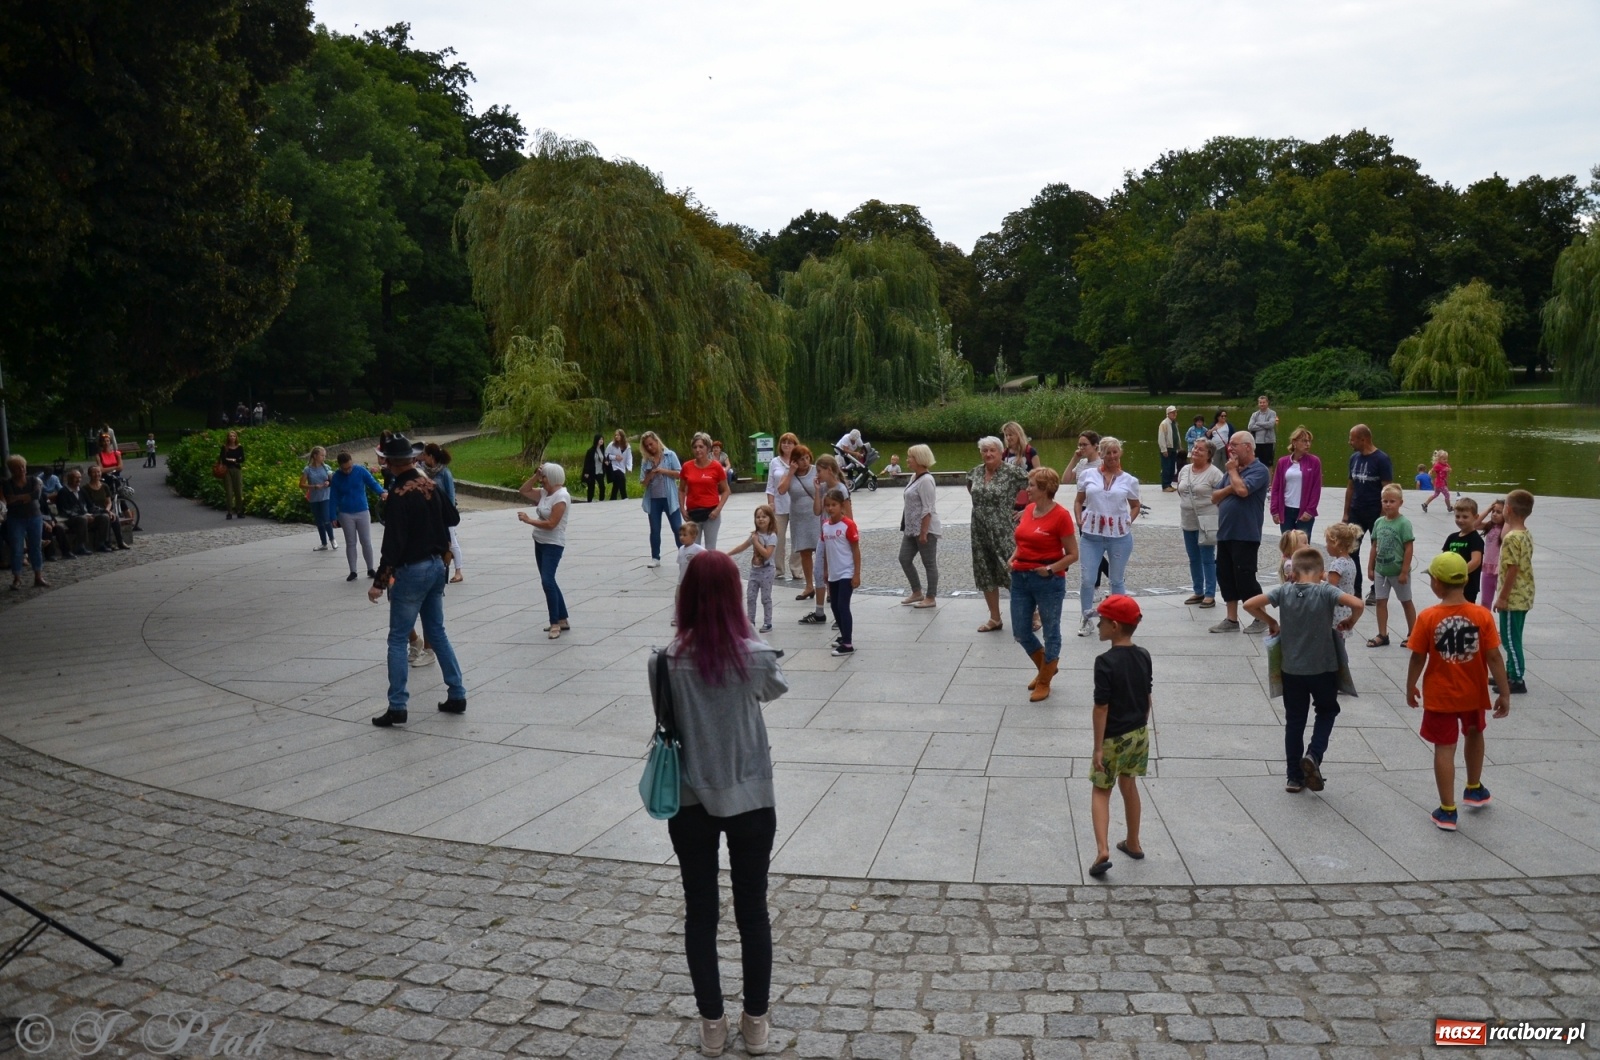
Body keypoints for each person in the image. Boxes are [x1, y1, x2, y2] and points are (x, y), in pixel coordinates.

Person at [648, 550, 787, 1057]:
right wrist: (747, 632)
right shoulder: (752, 655)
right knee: (753, 910)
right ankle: (755, 1021)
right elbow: (775, 687)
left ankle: (712, 1023)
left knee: (699, 911)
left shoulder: (664, 659)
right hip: (751, 794)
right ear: (733, 596)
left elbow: (664, 712)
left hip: (689, 799)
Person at [1406, 551, 1510, 831]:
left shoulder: (1427, 617)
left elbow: (1417, 657)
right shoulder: (1481, 615)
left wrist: (1410, 685)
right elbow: (1494, 656)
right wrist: (1504, 691)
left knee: (1445, 747)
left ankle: (1447, 810)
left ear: (1437, 584)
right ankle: (1474, 788)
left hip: (1440, 696)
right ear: (1465, 580)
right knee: (1475, 733)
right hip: (1474, 693)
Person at [1245, 548, 1364, 793]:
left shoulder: (1285, 591)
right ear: (1322, 573)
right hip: (1323, 669)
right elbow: (1358, 604)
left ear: (1293, 573)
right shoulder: (1326, 590)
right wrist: (1350, 621)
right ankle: (1314, 754)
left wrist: (1272, 623)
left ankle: (1294, 778)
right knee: (1327, 710)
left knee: (1295, 721)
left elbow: (1249, 604)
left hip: (1292, 670)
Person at [367, 434, 466, 727]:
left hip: (412, 571)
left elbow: (393, 545)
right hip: (437, 567)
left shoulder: (398, 496)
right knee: (437, 632)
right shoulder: (429, 485)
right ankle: (457, 693)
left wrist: (379, 582)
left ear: (389, 464)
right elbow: (453, 518)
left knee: (397, 638)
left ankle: (398, 706)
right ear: (411, 460)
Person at [1085, 594, 1151, 879]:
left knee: (1101, 789)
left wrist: (1097, 748)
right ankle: (1133, 842)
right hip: (1138, 733)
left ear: (1113, 626)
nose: (1098, 626)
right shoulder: (1144, 654)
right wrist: (1142, 725)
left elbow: (1101, 707)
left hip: (1113, 737)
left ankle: (1102, 850)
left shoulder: (1105, 662)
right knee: (1129, 785)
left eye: (1100, 621)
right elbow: (1147, 695)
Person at [1009, 467, 1078, 701]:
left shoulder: (1061, 516)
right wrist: (1014, 555)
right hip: (1020, 577)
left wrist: (1049, 569)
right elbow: (1022, 539)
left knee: (1051, 631)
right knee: (1020, 631)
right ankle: (1045, 668)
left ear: (1045, 489)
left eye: (1031, 485)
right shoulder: (1029, 509)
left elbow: (1072, 554)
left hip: (1047, 579)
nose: (1027, 489)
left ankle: (1045, 680)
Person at [1073, 437, 1140, 636]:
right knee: (1087, 578)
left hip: (1119, 536)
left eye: (1114, 452)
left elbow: (1135, 505)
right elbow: (1079, 501)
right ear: (1100, 454)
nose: (1111, 456)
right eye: (1107, 452)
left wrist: (1128, 520)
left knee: (1117, 579)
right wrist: (1079, 519)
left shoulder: (1129, 480)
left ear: (1119, 454)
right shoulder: (1087, 475)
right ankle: (1086, 618)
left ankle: (1118, 619)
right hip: (1091, 535)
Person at [1209, 432, 1271, 635]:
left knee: (1245, 576)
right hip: (1226, 532)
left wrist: (1233, 475)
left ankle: (1260, 617)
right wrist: (1231, 487)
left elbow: (1243, 491)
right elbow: (1215, 497)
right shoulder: (1231, 472)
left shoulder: (1259, 470)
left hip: (1246, 533)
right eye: (1230, 445)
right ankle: (1231, 619)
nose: (1230, 449)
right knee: (1225, 575)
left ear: (1248, 446)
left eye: (1234, 445)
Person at [967, 436, 1029, 633]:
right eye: (984, 450)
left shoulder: (1012, 473)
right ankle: (995, 618)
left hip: (1004, 530)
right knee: (985, 571)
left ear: (1000, 452)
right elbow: (973, 491)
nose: (988, 454)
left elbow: (1038, 486)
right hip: (979, 530)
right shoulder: (975, 472)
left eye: (992, 450)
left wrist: (1026, 510)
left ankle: (1032, 614)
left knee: (1013, 570)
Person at [518, 463, 572, 639]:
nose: (542, 481)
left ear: (554, 477)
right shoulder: (544, 493)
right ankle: (563, 618)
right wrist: (535, 475)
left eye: (544, 477)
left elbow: (551, 524)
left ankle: (554, 622)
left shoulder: (562, 496)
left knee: (547, 581)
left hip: (553, 543)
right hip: (539, 541)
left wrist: (529, 520)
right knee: (550, 580)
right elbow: (523, 490)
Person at [1342, 424, 1392, 600]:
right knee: (1351, 551)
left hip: (1375, 513)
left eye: (1352, 438)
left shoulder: (1382, 459)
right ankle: (1356, 590)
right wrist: (1346, 514)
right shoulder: (1354, 458)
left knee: (1378, 551)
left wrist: (1383, 515)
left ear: (1363, 439)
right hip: (1356, 512)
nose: (1349, 442)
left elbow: (1387, 490)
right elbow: (1350, 487)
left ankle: (1377, 589)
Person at [1493, 489, 1535, 695]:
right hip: (1524, 594)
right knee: (1512, 635)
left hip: (1513, 597)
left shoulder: (1511, 538)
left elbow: (1512, 569)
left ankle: (1517, 679)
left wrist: (1502, 597)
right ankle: (1509, 673)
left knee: (1510, 639)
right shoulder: (1525, 534)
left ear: (1508, 510)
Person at [803, 455, 851, 626]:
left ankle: (839, 613)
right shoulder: (822, 488)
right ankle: (819, 612)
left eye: (819, 471)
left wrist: (847, 539)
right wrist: (817, 490)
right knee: (820, 572)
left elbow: (849, 517)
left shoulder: (841, 490)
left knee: (835, 574)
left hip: (837, 536)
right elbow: (817, 511)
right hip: (824, 534)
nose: (817, 474)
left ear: (829, 470)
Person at [1366, 483, 1416, 648]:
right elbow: (1374, 545)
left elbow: (1409, 548)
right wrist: (1370, 567)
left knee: (1406, 601)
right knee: (1381, 601)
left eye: (1392, 501)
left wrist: (1404, 571)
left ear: (1400, 502)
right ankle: (1382, 634)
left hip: (1398, 571)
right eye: (1385, 501)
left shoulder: (1403, 524)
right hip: (1381, 570)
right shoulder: (1379, 522)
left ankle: (1413, 633)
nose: (1388, 504)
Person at [1176, 438, 1223, 607]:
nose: (1195, 451)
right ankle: (1198, 591)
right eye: (1195, 448)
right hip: (1188, 519)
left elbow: (1222, 495)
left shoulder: (1214, 473)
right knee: (1193, 557)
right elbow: (1181, 491)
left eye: (1200, 449)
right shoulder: (1185, 470)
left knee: (1207, 558)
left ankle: (1210, 593)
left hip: (1207, 520)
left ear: (1209, 454)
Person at [817, 488, 861, 656]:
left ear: (841, 506)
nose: (830, 509)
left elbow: (856, 550)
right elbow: (827, 551)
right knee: (834, 606)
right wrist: (826, 571)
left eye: (833, 505)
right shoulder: (826, 527)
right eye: (827, 505)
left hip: (846, 572)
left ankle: (848, 644)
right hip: (834, 573)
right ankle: (843, 636)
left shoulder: (848, 525)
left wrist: (856, 573)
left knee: (843, 605)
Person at [897, 445, 940, 610]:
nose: (907, 460)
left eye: (911, 457)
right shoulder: (914, 477)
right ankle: (917, 591)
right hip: (910, 528)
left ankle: (931, 596)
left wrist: (924, 533)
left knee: (929, 563)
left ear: (920, 459)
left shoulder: (927, 480)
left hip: (924, 529)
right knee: (904, 558)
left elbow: (927, 508)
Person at [331, 452, 384, 582]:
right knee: (351, 542)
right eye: (345, 468)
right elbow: (333, 497)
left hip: (362, 510)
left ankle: (370, 568)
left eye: (349, 467)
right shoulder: (337, 477)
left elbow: (372, 483)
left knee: (366, 540)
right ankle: (353, 570)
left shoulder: (360, 471)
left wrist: (382, 492)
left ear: (352, 462)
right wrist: (332, 515)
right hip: (345, 513)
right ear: (340, 467)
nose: (348, 470)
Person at [726, 505, 777, 633]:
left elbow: (767, 554)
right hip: (754, 571)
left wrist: (756, 543)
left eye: (764, 516)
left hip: (767, 571)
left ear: (770, 519)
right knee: (750, 596)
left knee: (766, 597)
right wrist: (727, 554)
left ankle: (768, 622)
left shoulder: (772, 536)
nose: (760, 519)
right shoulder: (754, 535)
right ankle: (750, 621)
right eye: (758, 517)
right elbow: (742, 547)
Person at [4, 456, 49, 590]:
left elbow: (36, 495)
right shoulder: (8, 484)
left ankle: (38, 575)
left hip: (34, 516)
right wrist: (26, 497)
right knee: (17, 548)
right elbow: (10, 500)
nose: (22, 470)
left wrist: (19, 498)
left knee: (35, 546)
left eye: (23, 467)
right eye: (18, 468)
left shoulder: (33, 480)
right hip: (16, 518)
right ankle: (17, 577)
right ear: (12, 470)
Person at [639, 431, 684, 568]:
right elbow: (643, 482)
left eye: (651, 444)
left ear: (657, 442)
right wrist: (650, 474)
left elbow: (680, 473)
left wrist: (663, 471)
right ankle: (655, 557)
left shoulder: (670, 455)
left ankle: (683, 554)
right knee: (655, 529)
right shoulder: (646, 461)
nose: (650, 448)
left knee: (677, 528)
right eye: (647, 446)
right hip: (654, 499)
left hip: (670, 497)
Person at [679, 432, 730, 551]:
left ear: (708, 448)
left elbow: (726, 491)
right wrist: (682, 508)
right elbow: (681, 490)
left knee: (710, 549)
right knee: (692, 548)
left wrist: (718, 509)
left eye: (701, 446)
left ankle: (710, 570)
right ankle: (694, 570)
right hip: (693, 513)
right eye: (695, 447)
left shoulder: (716, 467)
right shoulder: (687, 467)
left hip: (711, 513)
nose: (698, 450)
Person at [1268, 426, 1321, 539]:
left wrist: (1310, 510)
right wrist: (1274, 511)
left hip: (1304, 511)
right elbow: (1276, 487)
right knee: (1288, 544)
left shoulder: (1314, 462)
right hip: (1286, 509)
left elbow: (1316, 489)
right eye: (1304, 441)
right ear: (1294, 442)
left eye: (1309, 441)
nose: (1307, 444)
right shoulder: (1283, 462)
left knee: (1302, 546)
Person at [782, 446, 820, 603]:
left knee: (822, 552)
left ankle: (828, 587)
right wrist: (791, 472)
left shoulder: (816, 470)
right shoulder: (790, 474)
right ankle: (809, 585)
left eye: (807, 457)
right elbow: (781, 490)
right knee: (804, 552)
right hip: (799, 518)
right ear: (794, 461)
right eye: (801, 459)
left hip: (816, 516)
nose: (805, 461)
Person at [423, 444, 464, 583]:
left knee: (452, 542)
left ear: (431, 457)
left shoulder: (444, 473)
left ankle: (459, 571)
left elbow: (451, 496)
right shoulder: (423, 471)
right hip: (430, 514)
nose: (422, 458)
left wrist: (448, 513)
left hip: (444, 513)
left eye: (425, 455)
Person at [764, 433, 800, 582]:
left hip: (797, 504)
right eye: (784, 442)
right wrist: (770, 503)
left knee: (798, 539)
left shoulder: (800, 461)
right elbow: (770, 485)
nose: (786, 445)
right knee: (778, 538)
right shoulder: (775, 462)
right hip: (779, 505)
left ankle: (797, 569)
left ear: (795, 445)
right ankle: (778, 569)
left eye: (789, 443)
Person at [1443, 498, 1484, 605]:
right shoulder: (1452, 538)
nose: (1460, 520)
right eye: (1457, 516)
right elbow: (1443, 559)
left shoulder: (1475, 539)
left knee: (1466, 614)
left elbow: (1476, 561)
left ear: (1475, 517)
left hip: (1468, 586)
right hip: (1449, 585)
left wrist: (1459, 574)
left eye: (1465, 517)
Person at [1323, 523, 1363, 635]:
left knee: (1333, 641)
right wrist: (1323, 575)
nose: (1326, 546)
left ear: (1337, 544)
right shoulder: (1349, 561)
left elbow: (1330, 588)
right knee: (1340, 641)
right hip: (1345, 608)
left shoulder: (1337, 564)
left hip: (1335, 610)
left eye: (1328, 542)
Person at [82, 465, 129, 551]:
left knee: (115, 518)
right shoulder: (85, 488)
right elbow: (89, 505)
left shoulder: (104, 486)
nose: (97, 474)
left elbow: (109, 501)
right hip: (93, 512)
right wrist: (105, 512)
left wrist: (107, 510)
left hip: (105, 511)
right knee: (106, 517)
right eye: (94, 472)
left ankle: (120, 541)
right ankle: (107, 543)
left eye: (98, 472)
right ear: (89, 474)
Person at [51, 470, 94, 557]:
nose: (78, 480)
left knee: (104, 517)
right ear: (69, 479)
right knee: (82, 519)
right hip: (69, 519)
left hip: (84, 515)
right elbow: (64, 510)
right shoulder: (63, 492)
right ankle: (80, 546)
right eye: (75, 478)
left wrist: (103, 511)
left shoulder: (81, 490)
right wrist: (83, 515)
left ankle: (104, 542)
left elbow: (90, 505)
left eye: (80, 478)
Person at [301, 447, 335, 551]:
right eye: (322, 455)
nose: (324, 457)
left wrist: (328, 482)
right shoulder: (308, 469)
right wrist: (314, 486)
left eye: (324, 455)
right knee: (319, 520)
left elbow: (332, 480)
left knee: (326, 518)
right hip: (314, 498)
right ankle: (323, 543)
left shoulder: (326, 467)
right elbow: (301, 484)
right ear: (315, 456)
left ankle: (332, 539)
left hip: (325, 496)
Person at [1002, 420, 1041, 509]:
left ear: (1018, 434)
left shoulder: (1030, 452)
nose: (1008, 438)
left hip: (1028, 495)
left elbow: (1039, 475)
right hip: (1010, 496)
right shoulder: (1004, 453)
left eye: (1010, 435)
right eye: (1006, 435)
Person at [673, 521, 706, 624]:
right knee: (678, 598)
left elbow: (707, 559)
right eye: (680, 535)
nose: (682, 537)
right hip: (682, 580)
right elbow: (680, 563)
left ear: (693, 536)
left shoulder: (699, 550)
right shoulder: (681, 549)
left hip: (694, 581)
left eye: (685, 535)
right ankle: (678, 617)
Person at [1478, 499, 1505, 613]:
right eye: (1493, 511)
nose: (1494, 514)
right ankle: (1485, 625)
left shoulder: (1506, 529)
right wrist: (1488, 509)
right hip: (1488, 569)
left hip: (1501, 569)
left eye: (1499, 512)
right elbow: (1474, 524)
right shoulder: (1489, 526)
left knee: (1502, 601)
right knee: (1485, 601)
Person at [218, 430, 246, 520]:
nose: (232, 438)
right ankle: (229, 512)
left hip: (237, 469)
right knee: (229, 492)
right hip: (227, 470)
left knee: (238, 491)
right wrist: (232, 460)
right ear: (228, 437)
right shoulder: (225, 447)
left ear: (236, 437)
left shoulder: (239, 447)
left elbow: (242, 459)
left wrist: (234, 460)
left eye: (234, 436)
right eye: (230, 436)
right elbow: (222, 459)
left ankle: (239, 511)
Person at [1248, 395, 1279, 470]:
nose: (1262, 404)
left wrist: (1258, 423)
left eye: (1264, 402)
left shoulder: (1272, 413)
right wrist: (1265, 424)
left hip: (1268, 442)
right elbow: (1250, 427)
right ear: (1258, 404)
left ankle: (1269, 481)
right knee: (1257, 463)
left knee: (1269, 464)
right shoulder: (1254, 414)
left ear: (1267, 403)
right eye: (1260, 403)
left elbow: (1271, 425)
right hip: (1257, 442)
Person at [1157, 405, 1181, 492]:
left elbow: (1176, 435)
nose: (1175, 414)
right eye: (1173, 412)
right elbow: (1161, 437)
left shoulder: (1174, 423)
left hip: (1173, 448)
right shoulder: (1164, 424)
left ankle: (1169, 484)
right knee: (1166, 467)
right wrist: (1163, 449)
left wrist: (1179, 445)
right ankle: (1165, 485)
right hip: (1167, 449)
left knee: (1171, 468)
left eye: (1175, 412)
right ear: (1168, 413)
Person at [605, 430, 633, 501]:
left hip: (622, 466)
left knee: (616, 483)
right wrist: (615, 457)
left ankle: (613, 498)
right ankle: (624, 496)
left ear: (622, 436)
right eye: (615, 435)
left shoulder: (627, 446)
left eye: (618, 435)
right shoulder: (611, 445)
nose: (616, 436)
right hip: (613, 466)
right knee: (621, 478)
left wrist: (629, 467)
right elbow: (606, 455)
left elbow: (629, 457)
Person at [581, 434, 607, 503]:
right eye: (600, 439)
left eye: (602, 439)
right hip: (592, 471)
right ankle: (589, 500)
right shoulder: (590, 451)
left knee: (602, 486)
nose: (601, 441)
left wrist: (606, 462)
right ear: (596, 440)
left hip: (600, 471)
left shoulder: (602, 450)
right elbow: (587, 462)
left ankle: (601, 500)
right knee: (591, 487)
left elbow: (604, 459)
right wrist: (586, 472)